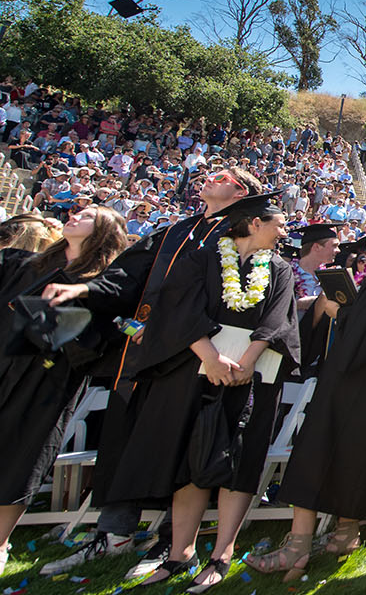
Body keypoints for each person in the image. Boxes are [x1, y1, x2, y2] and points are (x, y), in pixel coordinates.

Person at [39, 166, 261, 579]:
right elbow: (127, 275)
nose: (209, 176)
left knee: (180, 447)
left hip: (195, 356)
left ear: (240, 190)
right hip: (144, 352)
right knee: (126, 437)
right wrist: (84, 289)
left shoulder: (242, 234)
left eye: (222, 175)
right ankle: (115, 533)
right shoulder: (178, 229)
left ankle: (169, 542)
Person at [96, 190, 299, 592]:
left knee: (238, 462)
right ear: (255, 223)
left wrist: (247, 360)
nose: (284, 230)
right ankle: (179, 553)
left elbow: (279, 319)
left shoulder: (279, 269)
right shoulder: (201, 259)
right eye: (279, 223)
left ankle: (222, 553)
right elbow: (180, 310)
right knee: (189, 456)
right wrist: (209, 356)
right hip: (195, 373)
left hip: (249, 379)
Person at [247, 202, 366, 580]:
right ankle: (346, 534)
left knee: (316, 451)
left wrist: (334, 311)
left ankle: (296, 547)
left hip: (353, 382)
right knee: (356, 458)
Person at [0, 207, 128, 571]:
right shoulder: (22, 265)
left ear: (104, 232)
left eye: (87, 215)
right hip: (2, 363)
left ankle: (1, 541)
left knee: (20, 457)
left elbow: (94, 345)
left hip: (45, 382)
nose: (74, 215)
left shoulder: (101, 286)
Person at [285, 222, 341, 379]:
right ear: (317, 247)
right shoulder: (286, 272)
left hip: (317, 353)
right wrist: (299, 304)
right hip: (289, 346)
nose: (338, 250)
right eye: (334, 245)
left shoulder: (330, 277)